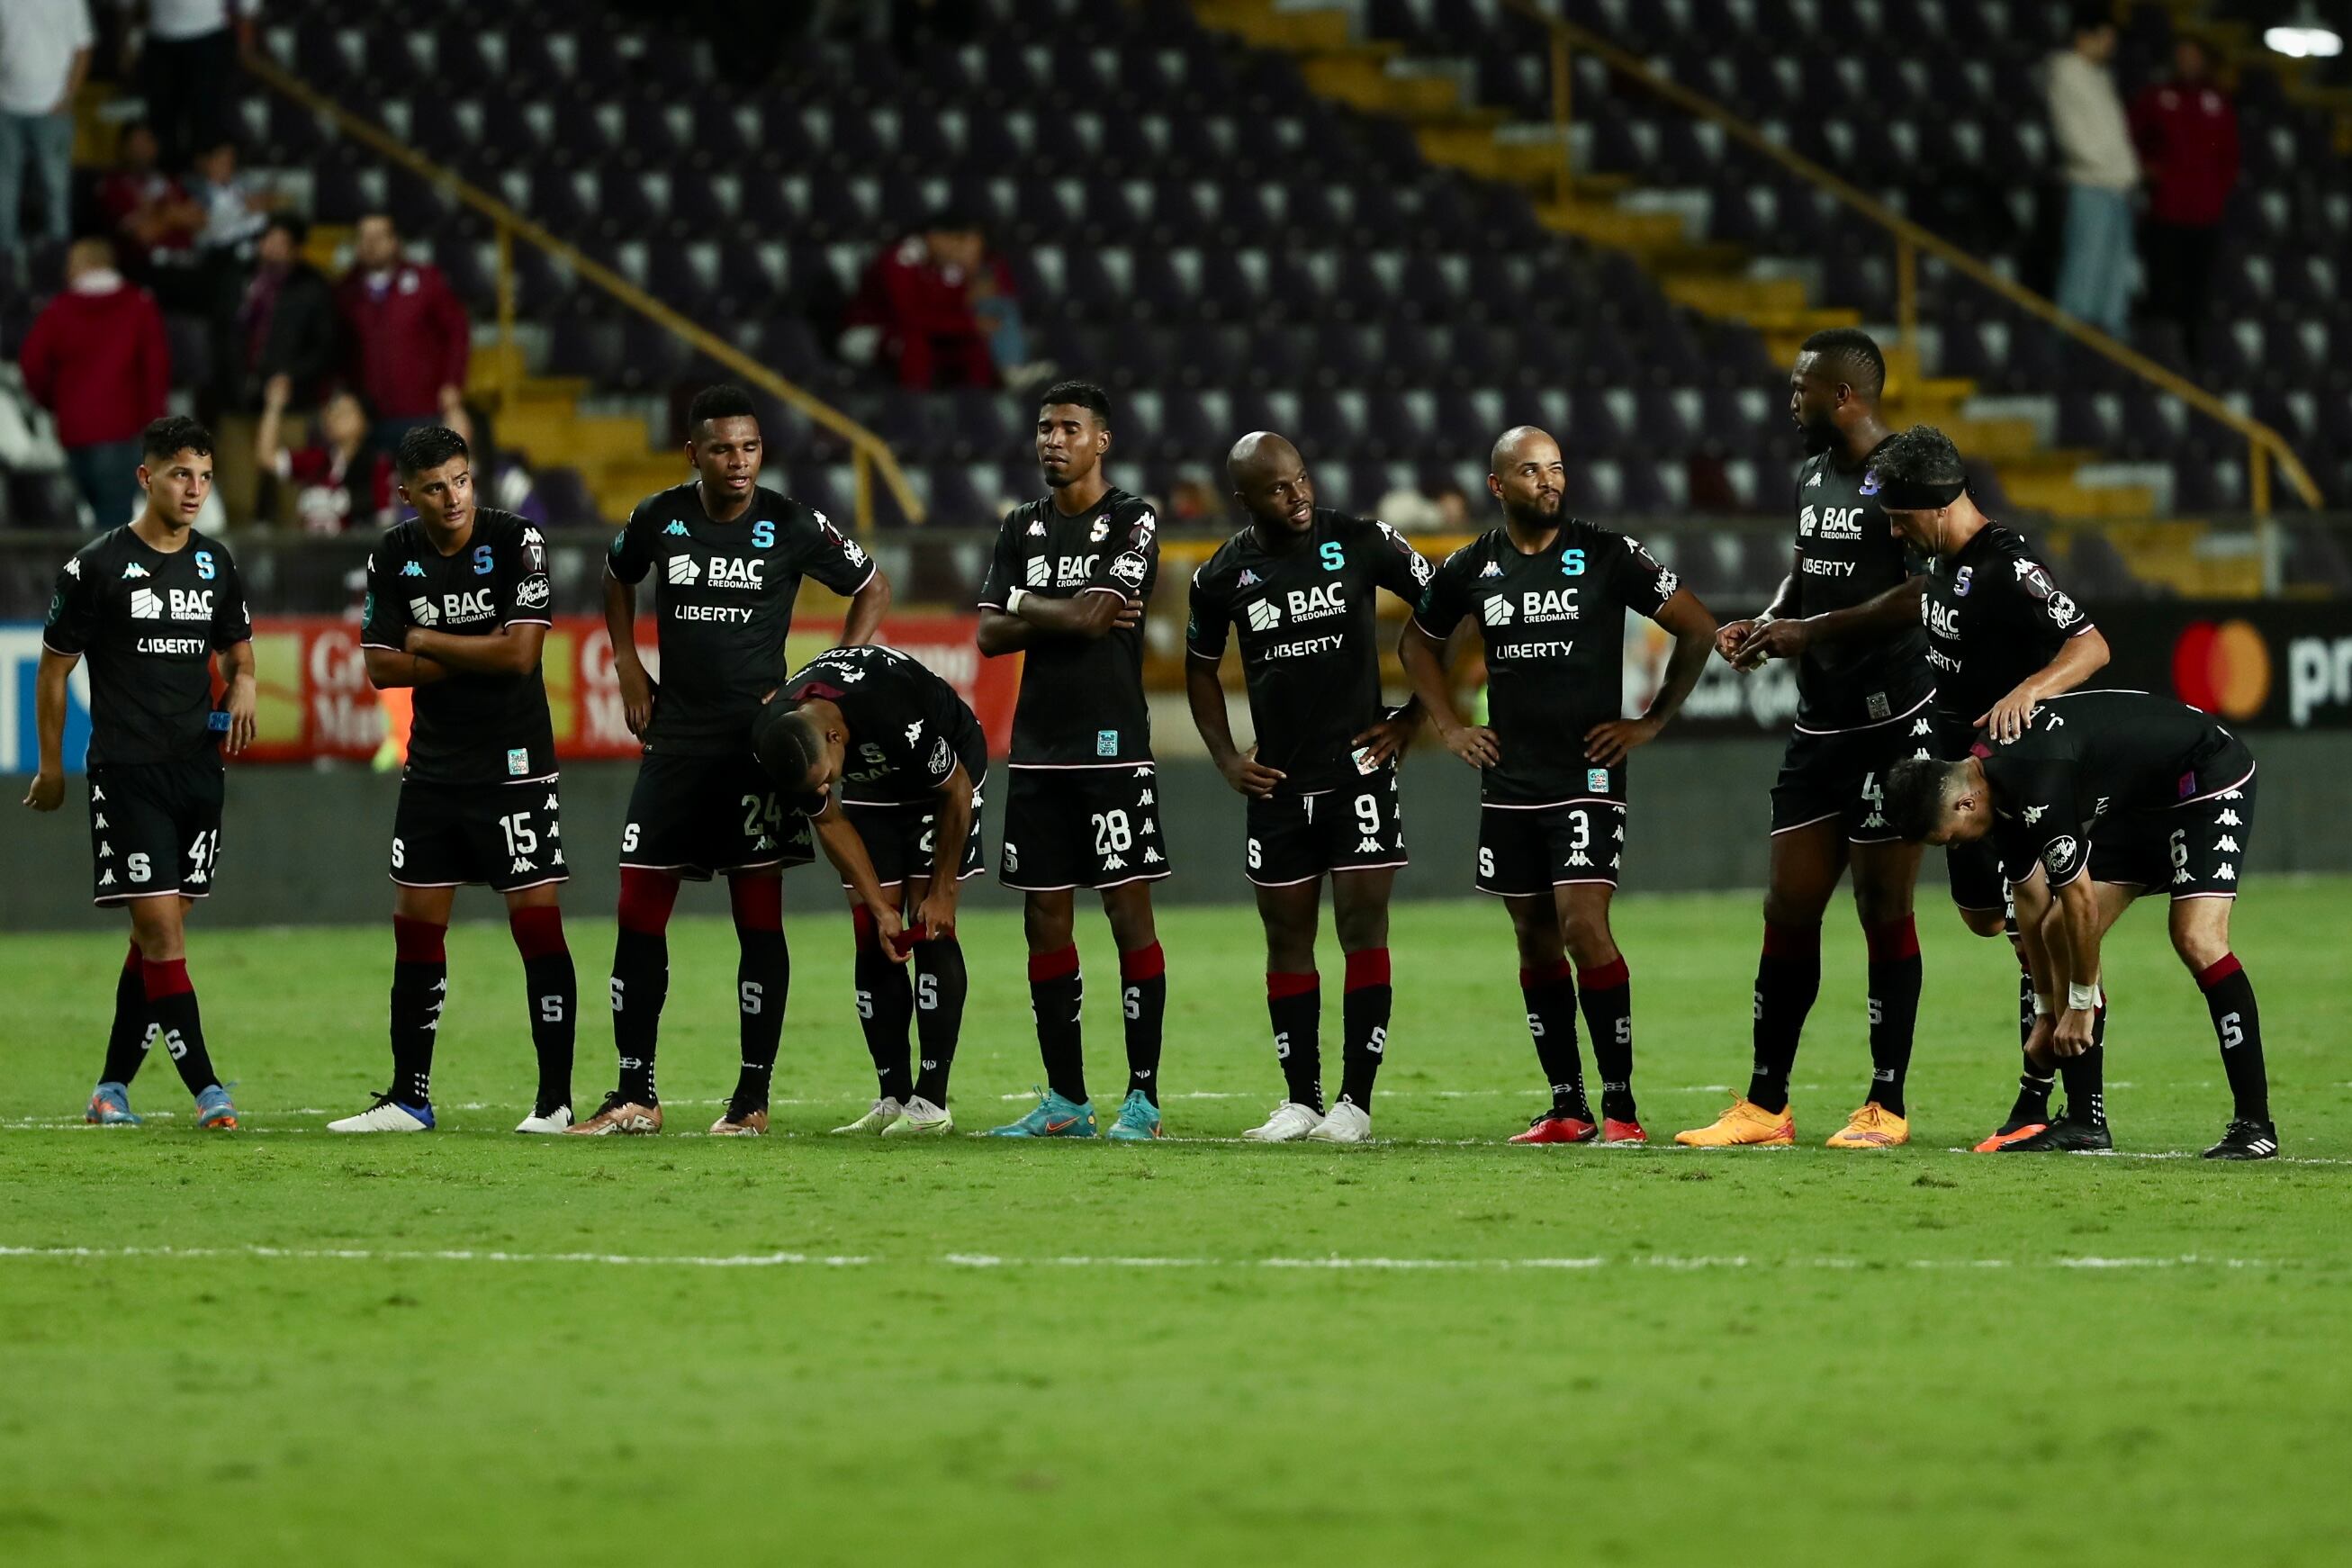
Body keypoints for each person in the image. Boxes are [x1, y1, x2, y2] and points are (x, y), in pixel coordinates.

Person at [570, 384, 890, 1137]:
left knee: (758, 922)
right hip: (675, 741)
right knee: (636, 911)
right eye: (722, 449)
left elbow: (871, 583)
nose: (738, 462)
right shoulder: (658, 518)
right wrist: (625, 663)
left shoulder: (789, 522)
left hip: (757, 749)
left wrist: (830, 676)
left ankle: (750, 1099)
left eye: (748, 447)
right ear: (694, 455)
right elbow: (616, 576)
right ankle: (634, 1094)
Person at [1400, 426, 1717, 1145]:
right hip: (1510, 782)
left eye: (1557, 469)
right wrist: (1448, 727)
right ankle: (1567, 1106)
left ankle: (1622, 1109)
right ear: (1498, 486)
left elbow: (1696, 627)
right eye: (1531, 470)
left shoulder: (1606, 553)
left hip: (1587, 774)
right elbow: (1416, 643)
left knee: (1581, 925)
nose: (1548, 481)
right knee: (1534, 939)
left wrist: (1652, 720)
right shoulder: (1471, 567)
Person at [1685, 329, 1934, 1150]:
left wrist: (1809, 631)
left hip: (1890, 726)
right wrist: (1768, 620)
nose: (1789, 402)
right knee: (1787, 905)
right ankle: (1764, 1106)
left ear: (1845, 397)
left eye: (1801, 389)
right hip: (1818, 724)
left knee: (1880, 908)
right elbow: (1806, 569)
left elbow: (1917, 596)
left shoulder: (1907, 473)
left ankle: (1885, 1106)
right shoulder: (1811, 475)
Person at [1884, 691, 2276, 1160]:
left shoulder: (2036, 781)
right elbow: (2031, 901)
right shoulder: (1992, 785)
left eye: (1946, 839)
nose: (1954, 847)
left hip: (2206, 775)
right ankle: (2086, 1123)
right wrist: (2049, 1011)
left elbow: (2082, 903)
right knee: (2053, 932)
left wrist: (2080, 1004)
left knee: (2196, 937)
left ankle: (2255, 1125)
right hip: (2141, 797)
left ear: (1965, 805)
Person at [1864, 425, 2113, 1152]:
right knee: (1988, 920)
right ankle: (2048, 1098)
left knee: (2046, 923)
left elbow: (2090, 644)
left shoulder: (2007, 565)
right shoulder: (1939, 560)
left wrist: (2029, 692)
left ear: (1937, 505)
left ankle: (2067, 1107)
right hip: (1964, 774)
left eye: (1898, 513)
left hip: (2022, 778)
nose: (1891, 527)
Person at [1185, 432, 1430, 1143]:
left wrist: (1415, 715)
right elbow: (1200, 669)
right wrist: (1227, 757)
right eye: (1277, 489)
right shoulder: (1221, 575)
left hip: (1357, 770)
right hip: (1279, 784)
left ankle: (1354, 1103)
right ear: (1245, 500)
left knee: (1361, 930)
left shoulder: (1361, 540)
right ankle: (1301, 1099)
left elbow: (1449, 608)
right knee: (1286, 937)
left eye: (1300, 480)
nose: (1297, 497)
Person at [327, 428, 572, 1132]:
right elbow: (379, 668)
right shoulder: (391, 555)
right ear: (408, 495)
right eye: (435, 487)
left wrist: (429, 640)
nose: (453, 497)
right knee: (415, 925)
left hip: (514, 764)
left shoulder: (518, 540)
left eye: (461, 481)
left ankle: (554, 1102)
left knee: (536, 926)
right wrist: (479, 650)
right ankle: (409, 1097)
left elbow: (521, 656)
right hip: (434, 767)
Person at [23, 415, 253, 1131]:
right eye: (181, 474)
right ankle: (208, 1090)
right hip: (126, 772)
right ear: (145, 476)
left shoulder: (215, 563)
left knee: (153, 941)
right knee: (162, 935)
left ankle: (110, 1087)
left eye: (205, 477)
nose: (194, 490)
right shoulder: (93, 566)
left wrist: (242, 682)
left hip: (197, 774)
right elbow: (54, 671)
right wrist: (52, 766)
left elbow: (239, 653)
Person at [974, 380, 1170, 1141]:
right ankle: (1066, 1101)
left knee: (1127, 912)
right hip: (1038, 751)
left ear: (1101, 441)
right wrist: (1038, 608)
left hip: (1112, 747)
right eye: (1045, 427)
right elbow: (986, 636)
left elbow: (1096, 619)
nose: (1052, 439)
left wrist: (1022, 604)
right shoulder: (1018, 526)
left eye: (1068, 428)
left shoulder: (1133, 519)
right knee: (1044, 919)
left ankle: (1143, 1101)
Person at [753, 644, 985, 1137]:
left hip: (944, 774)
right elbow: (830, 818)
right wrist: (880, 907)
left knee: (928, 924)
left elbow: (957, 790)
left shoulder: (889, 707)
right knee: (870, 930)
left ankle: (931, 1103)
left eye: (825, 780)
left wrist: (943, 889)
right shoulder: (778, 736)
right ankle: (893, 1095)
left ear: (835, 737)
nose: (821, 790)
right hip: (874, 782)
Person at [19, 237, 172, 530]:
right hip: (122, 432)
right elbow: (155, 370)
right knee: (114, 521)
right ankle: (107, 576)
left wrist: (54, 401)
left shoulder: (59, 310)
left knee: (87, 523)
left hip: (74, 432)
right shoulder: (138, 305)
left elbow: (32, 364)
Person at [2131, 36, 2239, 370]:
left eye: (2192, 56)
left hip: (2204, 216)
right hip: (2165, 211)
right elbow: (2132, 138)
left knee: (2197, 295)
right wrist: (2148, 170)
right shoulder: (2158, 98)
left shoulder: (2217, 102)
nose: (2186, 62)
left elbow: (2229, 158)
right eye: (2181, 56)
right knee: (2162, 290)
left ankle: (2191, 363)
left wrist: (2214, 194)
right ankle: (2155, 357)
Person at [844, 212, 1036, 391]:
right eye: (956, 241)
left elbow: (954, 308)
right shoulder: (899, 260)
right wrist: (969, 323)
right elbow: (909, 316)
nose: (959, 250)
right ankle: (914, 408)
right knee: (914, 342)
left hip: (925, 329)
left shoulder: (948, 267)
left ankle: (976, 405)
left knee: (974, 344)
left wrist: (971, 286)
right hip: (869, 332)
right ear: (934, 237)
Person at [337, 212, 473, 454]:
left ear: (395, 241)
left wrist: (452, 383)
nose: (370, 244)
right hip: (367, 417)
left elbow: (457, 333)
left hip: (423, 411)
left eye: (378, 237)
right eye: (364, 237)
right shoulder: (346, 292)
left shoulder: (426, 281)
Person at [2047, 5, 2139, 338]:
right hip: (2091, 184)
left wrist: (2123, 171)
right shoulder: (2066, 73)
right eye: (2106, 37)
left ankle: (2108, 346)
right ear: (2086, 36)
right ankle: (2070, 341)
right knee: (2084, 271)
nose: (2110, 45)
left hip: (2117, 186)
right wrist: (2109, 164)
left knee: (2114, 277)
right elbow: (2074, 138)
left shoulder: (2100, 76)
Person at [0, 0, 91, 266]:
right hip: (6, 106)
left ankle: (58, 261)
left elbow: (83, 47)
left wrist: (69, 95)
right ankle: (6, 265)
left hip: (53, 106)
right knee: (5, 188)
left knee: (55, 186)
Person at [122, 0, 257, 173]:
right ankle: (169, 187)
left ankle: (208, 190)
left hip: (209, 32)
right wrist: (126, 39)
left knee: (207, 122)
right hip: (160, 37)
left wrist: (246, 36)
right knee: (162, 126)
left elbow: (248, 9)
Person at [256, 384, 392, 534]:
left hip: (354, 553)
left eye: (346, 412)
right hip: (310, 552)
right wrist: (274, 407)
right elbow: (266, 458)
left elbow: (386, 523)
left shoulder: (378, 465)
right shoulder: (318, 460)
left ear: (365, 423)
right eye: (334, 412)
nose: (336, 417)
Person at [239, 214, 338, 411]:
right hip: (239, 396)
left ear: (297, 249)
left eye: (281, 242)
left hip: (292, 399)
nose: (272, 247)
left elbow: (326, 347)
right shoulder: (240, 278)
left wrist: (292, 375)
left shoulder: (314, 288)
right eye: (268, 239)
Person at [96, 121, 203, 274]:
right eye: (137, 143)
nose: (143, 149)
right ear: (124, 148)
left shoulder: (168, 180)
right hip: (146, 268)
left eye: (148, 141)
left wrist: (159, 217)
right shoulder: (113, 186)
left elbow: (200, 220)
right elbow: (144, 234)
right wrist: (170, 215)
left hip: (187, 262)